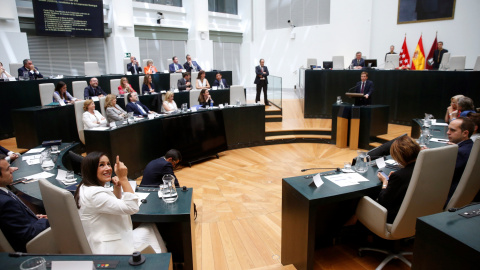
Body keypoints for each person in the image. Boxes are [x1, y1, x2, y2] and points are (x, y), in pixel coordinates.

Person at [74, 153, 166, 254]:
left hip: (107, 237)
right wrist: (123, 179)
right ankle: (164, 261)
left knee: (150, 228)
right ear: (90, 169)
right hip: (109, 249)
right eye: (101, 165)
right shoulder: (95, 194)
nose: (108, 168)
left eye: (108, 164)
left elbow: (111, 205)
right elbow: (132, 207)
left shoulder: (84, 186)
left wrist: (117, 188)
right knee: (149, 230)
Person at [0, 155, 50, 252]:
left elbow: (15, 223)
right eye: (7, 170)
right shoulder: (5, 202)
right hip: (32, 248)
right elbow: (28, 235)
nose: (12, 170)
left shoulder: (3, 193)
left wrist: (35, 218)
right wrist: (50, 221)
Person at [376, 136, 420, 223]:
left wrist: (385, 182)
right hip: (418, 215)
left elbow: (383, 201)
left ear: (398, 156)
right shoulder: (423, 168)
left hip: (395, 218)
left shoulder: (399, 176)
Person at [446, 117, 475, 201]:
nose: (448, 133)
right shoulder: (470, 145)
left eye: (453, 130)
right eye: (448, 129)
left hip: (449, 197)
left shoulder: (460, 153)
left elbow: (442, 175)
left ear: (465, 133)